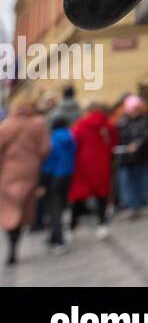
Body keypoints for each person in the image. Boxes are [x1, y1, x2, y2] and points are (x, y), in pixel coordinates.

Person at [0, 101, 50, 265]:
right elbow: (45, 150)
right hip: (30, 171)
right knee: (22, 209)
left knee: (8, 209)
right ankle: (16, 241)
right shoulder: (38, 124)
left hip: (8, 172)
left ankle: (11, 243)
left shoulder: (5, 125)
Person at [68, 105, 115, 238]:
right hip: (102, 165)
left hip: (83, 167)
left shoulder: (80, 126)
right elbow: (113, 142)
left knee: (78, 198)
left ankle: (71, 228)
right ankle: (102, 225)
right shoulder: (106, 125)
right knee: (102, 196)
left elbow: (74, 144)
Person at [42, 115, 77, 253]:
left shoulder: (53, 139)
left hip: (55, 176)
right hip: (68, 174)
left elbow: (50, 159)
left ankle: (57, 238)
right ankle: (57, 235)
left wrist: (44, 176)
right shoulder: (70, 136)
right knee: (62, 206)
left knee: (54, 208)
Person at [113, 95, 148, 217]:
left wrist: (136, 144)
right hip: (125, 158)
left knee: (140, 181)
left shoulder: (143, 120)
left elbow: (145, 135)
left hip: (140, 157)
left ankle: (140, 204)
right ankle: (130, 205)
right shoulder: (121, 121)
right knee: (127, 182)